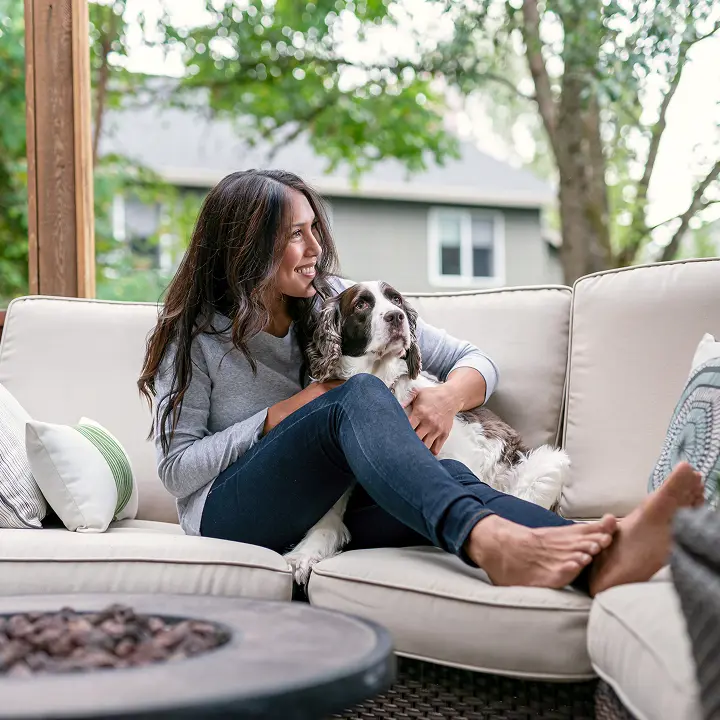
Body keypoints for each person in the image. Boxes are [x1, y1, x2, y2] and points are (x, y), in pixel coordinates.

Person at [138, 169, 704, 597]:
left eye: (314, 230)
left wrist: (446, 398)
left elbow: (474, 361)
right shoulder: (195, 337)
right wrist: (283, 413)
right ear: (247, 248)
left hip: (325, 505)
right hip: (231, 514)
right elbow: (177, 469)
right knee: (360, 392)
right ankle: (487, 542)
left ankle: (603, 558)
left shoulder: (330, 297)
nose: (315, 249)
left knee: (448, 474)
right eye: (295, 235)